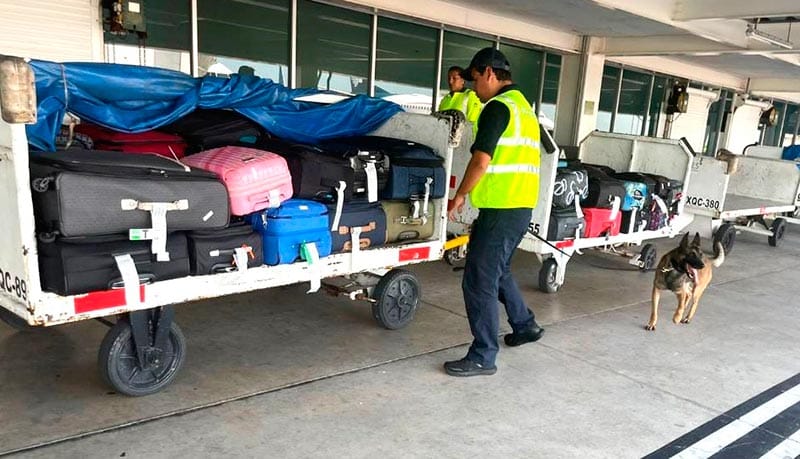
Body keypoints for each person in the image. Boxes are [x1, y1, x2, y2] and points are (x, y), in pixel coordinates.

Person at [445, 47, 545, 377]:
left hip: (501, 209)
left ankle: (483, 354)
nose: (474, 89)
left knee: (478, 280)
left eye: (474, 80)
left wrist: (460, 196)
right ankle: (525, 325)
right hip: (519, 207)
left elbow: (480, 160)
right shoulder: (525, 109)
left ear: (489, 72)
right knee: (498, 271)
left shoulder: (497, 108)